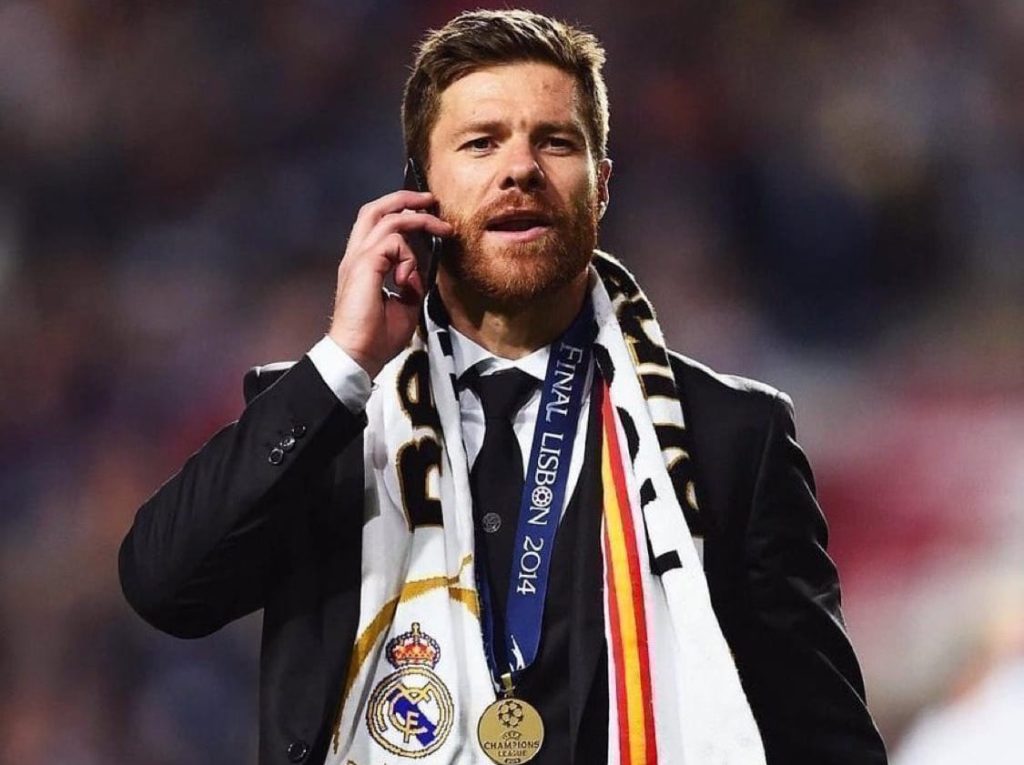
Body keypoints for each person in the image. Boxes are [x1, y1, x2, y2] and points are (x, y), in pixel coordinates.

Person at [119, 9, 887, 765]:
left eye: (555, 141)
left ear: (601, 186)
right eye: (481, 142)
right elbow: (165, 586)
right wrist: (344, 360)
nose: (520, 168)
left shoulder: (728, 437)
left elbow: (827, 744)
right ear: (419, 192)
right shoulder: (330, 423)